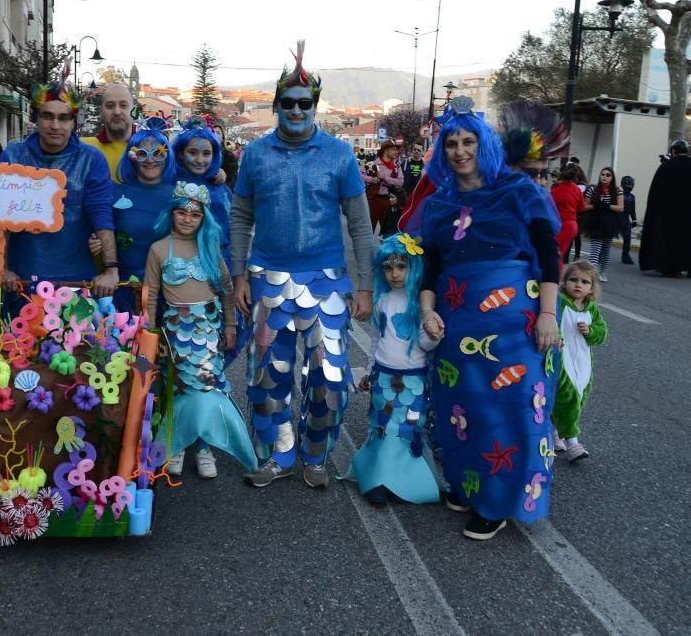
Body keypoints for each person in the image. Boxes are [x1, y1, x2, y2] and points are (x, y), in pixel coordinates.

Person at [230, 41, 375, 489]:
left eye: (304, 103)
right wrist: (238, 274)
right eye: (288, 103)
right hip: (268, 281)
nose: (296, 110)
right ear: (276, 105)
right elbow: (239, 218)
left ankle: (315, 453)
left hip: (326, 283)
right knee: (267, 379)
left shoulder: (339, 155)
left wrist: (365, 285)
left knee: (330, 380)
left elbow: (360, 225)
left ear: (315, 106)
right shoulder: (255, 154)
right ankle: (280, 454)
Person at [419, 96, 561, 541]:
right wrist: (427, 312)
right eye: (451, 144)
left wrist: (548, 315)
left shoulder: (519, 192)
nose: (460, 151)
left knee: (510, 409)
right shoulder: (439, 206)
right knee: (463, 408)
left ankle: (498, 503)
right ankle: (468, 484)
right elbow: (431, 267)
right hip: (456, 321)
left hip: (514, 320)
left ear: (484, 146)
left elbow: (548, 255)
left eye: (468, 141)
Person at [144, 181, 257, 478]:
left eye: (195, 215)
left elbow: (227, 291)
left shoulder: (210, 248)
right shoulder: (158, 249)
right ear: (172, 213)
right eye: (182, 212)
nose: (187, 219)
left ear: (204, 218)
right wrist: (151, 334)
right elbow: (151, 294)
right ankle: (178, 444)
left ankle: (205, 445)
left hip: (207, 331)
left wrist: (230, 326)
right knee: (178, 388)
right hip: (173, 331)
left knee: (207, 386)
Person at [0, 67, 118, 298]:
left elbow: (101, 214)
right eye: (48, 116)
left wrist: (112, 269)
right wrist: (1, 268)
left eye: (64, 118)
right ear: (36, 118)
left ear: (74, 121)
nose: (55, 125)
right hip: (21, 281)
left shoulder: (91, 159)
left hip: (76, 280)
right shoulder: (13, 157)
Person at [341, 233, 441, 506]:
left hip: (413, 383)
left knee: (409, 429)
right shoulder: (382, 301)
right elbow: (376, 340)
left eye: (401, 266)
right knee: (383, 428)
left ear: (414, 267)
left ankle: (404, 481)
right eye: (388, 267)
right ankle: (379, 479)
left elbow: (426, 345)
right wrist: (370, 372)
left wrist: (432, 333)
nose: (394, 274)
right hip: (383, 379)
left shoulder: (421, 305)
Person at [89, 116, 177, 313]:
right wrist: (94, 241)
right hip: (123, 288)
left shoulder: (179, 194)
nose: (150, 160)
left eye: (157, 153)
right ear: (132, 156)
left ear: (167, 155)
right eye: (142, 153)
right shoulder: (114, 192)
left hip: (170, 291)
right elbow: (102, 228)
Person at [550, 260, 606, 463]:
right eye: (573, 279)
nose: (578, 285)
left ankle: (555, 431)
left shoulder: (592, 310)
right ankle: (573, 442)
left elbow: (602, 333)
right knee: (568, 395)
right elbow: (551, 322)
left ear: (592, 288)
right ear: (564, 282)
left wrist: (591, 331)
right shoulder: (559, 302)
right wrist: (555, 338)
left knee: (580, 395)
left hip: (583, 362)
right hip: (562, 359)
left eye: (584, 282)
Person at [173, 115, 232, 266]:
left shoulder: (221, 188)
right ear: (180, 153)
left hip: (218, 265)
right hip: (178, 266)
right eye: (192, 152)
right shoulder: (171, 184)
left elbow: (232, 229)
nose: (200, 160)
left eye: (206, 154)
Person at [640, 139, 691, 277]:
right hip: (688, 215)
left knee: (669, 241)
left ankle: (670, 267)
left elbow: (656, 193)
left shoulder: (666, 167)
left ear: (674, 150)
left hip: (668, 215)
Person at [81, 83, 136, 183]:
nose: (117, 112)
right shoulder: (84, 148)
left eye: (123, 105)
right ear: (101, 111)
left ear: (134, 110)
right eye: (110, 106)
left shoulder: (149, 150)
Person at [584, 167, 624, 283]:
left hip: (610, 222)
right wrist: (595, 205)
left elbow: (621, 207)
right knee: (596, 250)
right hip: (595, 221)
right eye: (603, 174)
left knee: (606, 249)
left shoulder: (617, 190)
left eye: (608, 175)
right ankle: (591, 274)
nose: (605, 177)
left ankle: (602, 272)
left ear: (612, 177)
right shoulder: (593, 189)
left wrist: (607, 206)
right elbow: (584, 206)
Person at [362, 139, 404, 231]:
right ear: (385, 150)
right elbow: (359, 176)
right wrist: (371, 179)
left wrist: (385, 177)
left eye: (396, 149)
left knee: (388, 232)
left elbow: (400, 182)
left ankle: (386, 245)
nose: (396, 152)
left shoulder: (396, 167)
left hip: (388, 201)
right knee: (368, 231)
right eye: (393, 149)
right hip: (372, 200)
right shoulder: (372, 164)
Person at [550, 165, 587, 271]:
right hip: (572, 225)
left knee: (555, 254)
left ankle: (553, 279)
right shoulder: (577, 189)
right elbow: (582, 208)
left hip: (561, 224)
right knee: (560, 254)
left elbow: (548, 205)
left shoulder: (559, 189)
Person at [619, 175, 637, 264]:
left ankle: (625, 255)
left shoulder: (632, 197)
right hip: (616, 217)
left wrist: (634, 220)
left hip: (625, 218)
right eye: (629, 184)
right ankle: (600, 254)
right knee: (607, 237)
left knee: (627, 238)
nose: (630, 186)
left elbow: (633, 210)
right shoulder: (618, 194)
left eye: (631, 184)